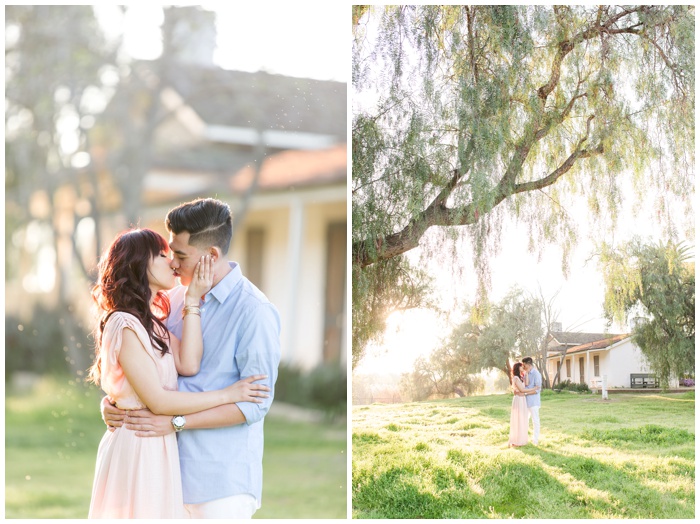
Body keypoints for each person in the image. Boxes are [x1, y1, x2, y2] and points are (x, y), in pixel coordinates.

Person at [101, 198, 281, 519]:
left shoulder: (255, 312)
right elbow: (143, 366)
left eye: (180, 255)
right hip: (161, 472)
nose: (173, 263)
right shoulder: (168, 301)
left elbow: (253, 405)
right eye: (169, 253)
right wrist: (115, 404)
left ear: (211, 255)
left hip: (219, 484)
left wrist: (175, 423)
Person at [521, 356, 542, 445]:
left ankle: (535, 441)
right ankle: (524, 439)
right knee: (525, 421)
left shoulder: (536, 374)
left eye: (524, 365)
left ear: (528, 364)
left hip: (533, 402)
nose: (523, 366)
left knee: (535, 421)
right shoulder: (526, 373)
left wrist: (525, 393)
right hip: (526, 402)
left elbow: (537, 389)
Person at [508, 362, 529, 447]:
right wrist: (533, 390)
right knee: (518, 419)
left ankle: (521, 439)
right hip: (519, 400)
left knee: (523, 419)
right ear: (517, 368)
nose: (523, 367)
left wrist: (526, 373)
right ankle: (516, 440)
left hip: (522, 399)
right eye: (521, 366)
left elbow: (526, 384)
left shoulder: (521, 377)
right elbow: (522, 389)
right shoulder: (516, 378)